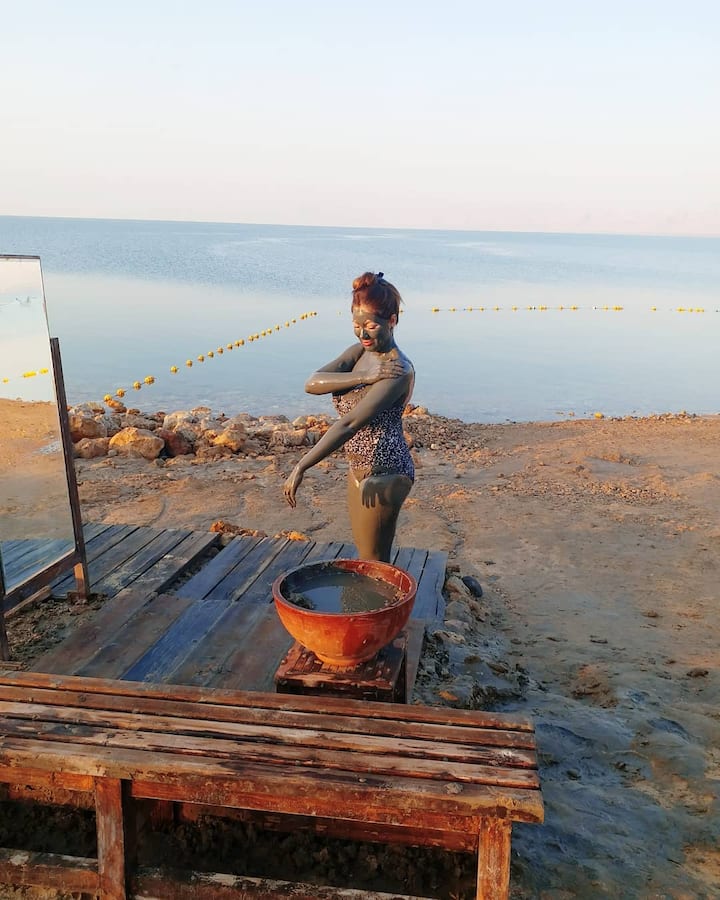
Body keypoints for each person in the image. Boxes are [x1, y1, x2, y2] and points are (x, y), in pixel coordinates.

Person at [284, 272, 415, 562]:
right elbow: (312, 383)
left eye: (370, 326)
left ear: (391, 320)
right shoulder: (359, 353)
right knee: (364, 551)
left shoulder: (397, 369)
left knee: (374, 558)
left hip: (385, 470)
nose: (363, 334)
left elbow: (350, 423)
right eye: (356, 326)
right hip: (357, 466)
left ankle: (387, 606)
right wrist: (362, 375)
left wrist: (302, 465)